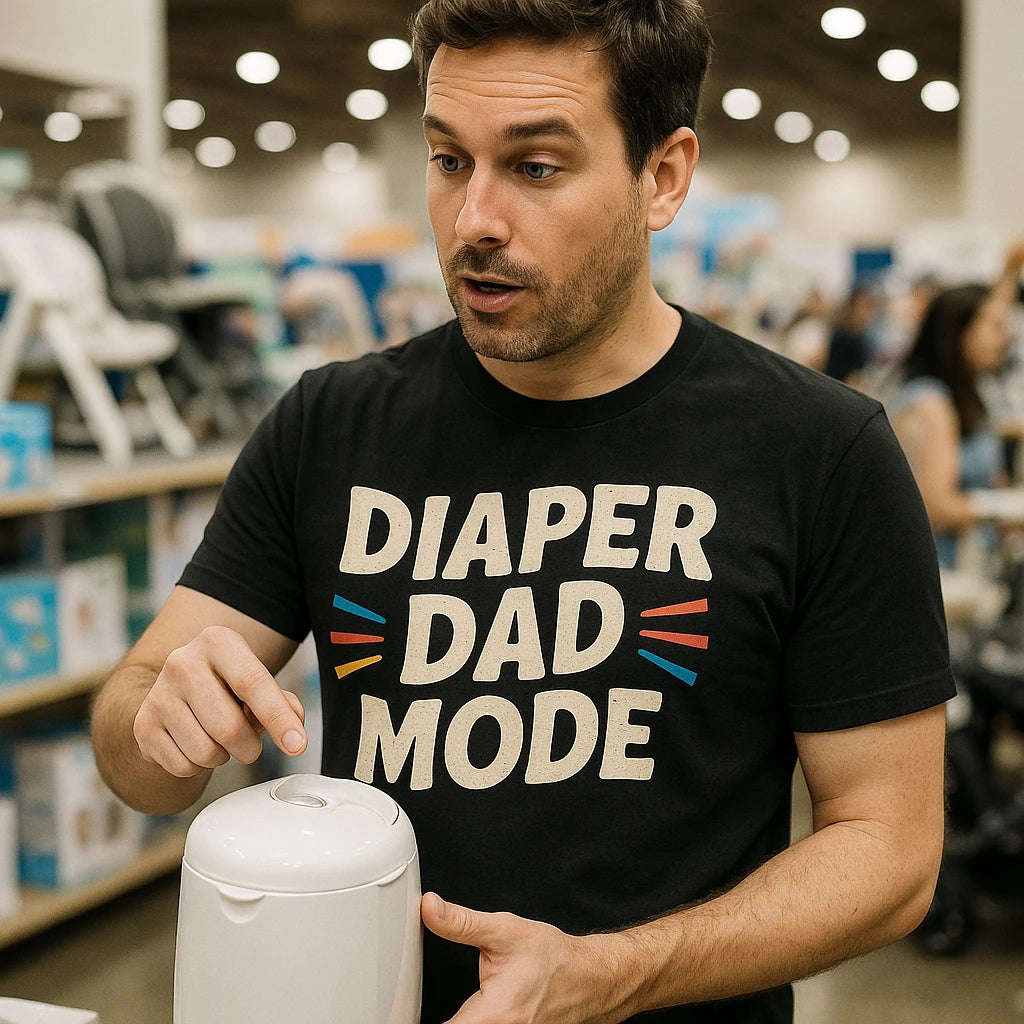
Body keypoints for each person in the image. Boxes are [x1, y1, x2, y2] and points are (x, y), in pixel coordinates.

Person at [90, 2, 953, 1022]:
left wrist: (614, 973)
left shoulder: (818, 450)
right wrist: (160, 722)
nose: (474, 221)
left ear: (663, 177)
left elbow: (891, 851)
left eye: (536, 167)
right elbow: (131, 748)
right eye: (449, 160)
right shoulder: (330, 425)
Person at [889, 241, 1024, 569]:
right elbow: (936, 506)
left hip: (970, 563)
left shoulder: (967, 392)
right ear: (958, 333)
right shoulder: (930, 403)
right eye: (993, 326)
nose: (1004, 337)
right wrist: (1004, 507)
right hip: (944, 571)